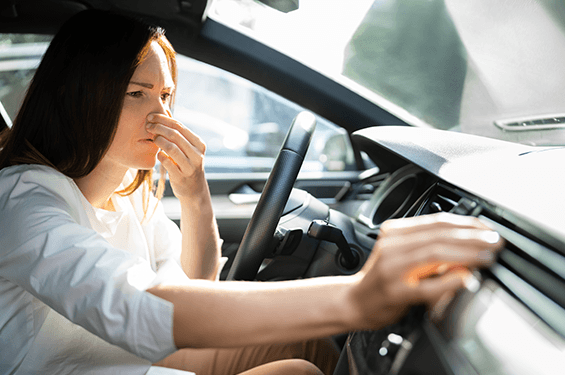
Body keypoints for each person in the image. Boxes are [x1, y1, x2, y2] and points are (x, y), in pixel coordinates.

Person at [0, 9, 503, 375]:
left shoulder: (128, 194)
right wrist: (356, 296)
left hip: (142, 364)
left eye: (167, 95)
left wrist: (194, 194)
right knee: (298, 374)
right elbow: (139, 304)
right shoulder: (25, 199)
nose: (162, 115)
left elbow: (196, 288)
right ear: (78, 97)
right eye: (136, 93)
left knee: (308, 340)